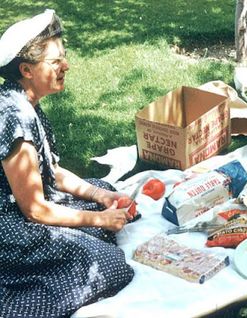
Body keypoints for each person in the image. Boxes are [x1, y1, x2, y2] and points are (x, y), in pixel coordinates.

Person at [0, 9, 134, 317]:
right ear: (27, 69)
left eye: (64, 56)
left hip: (26, 208)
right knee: (111, 265)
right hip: (10, 226)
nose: (66, 66)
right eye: (55, 60)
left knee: (104, 190)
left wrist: (99, 196)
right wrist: (100, 220)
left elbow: (51, 171)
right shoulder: (14, 117)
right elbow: (34, 210)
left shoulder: (24, 101)